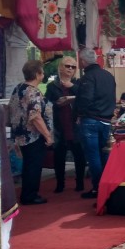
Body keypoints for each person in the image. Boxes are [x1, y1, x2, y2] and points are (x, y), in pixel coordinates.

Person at [8, 60, 54, 205]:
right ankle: (30, 195)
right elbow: (35, 116)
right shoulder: (32, 91)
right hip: (32, 135)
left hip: (20, 134)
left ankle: (27, 193)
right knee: (33, 165)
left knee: (28, 164)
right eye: (42, 71)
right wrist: (47, 135)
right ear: (37, 74)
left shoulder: (18, 88)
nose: (43, 74)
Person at [75, 48, 117, 200]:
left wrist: (79, 113)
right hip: (106, 120)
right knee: (104, 154)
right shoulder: (108, 76)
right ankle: (105, 186)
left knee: (93, 156)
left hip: (91, 120)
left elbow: (86, 98)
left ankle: (98, 188)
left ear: (84, 62)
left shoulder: (88, 78)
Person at [44, 56, 86, 193]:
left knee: (79, 156)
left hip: (75, 125)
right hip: (59, 125)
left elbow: (86, 100)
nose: (70, 69)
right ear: (61, 68)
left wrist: (73, 88)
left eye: (73, 67)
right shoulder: (52, 86)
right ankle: (60, 184)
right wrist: (57, 103)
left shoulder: (79, 84)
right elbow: (46, 105)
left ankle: (80, 183)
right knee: (59, 157)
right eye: (67, 66)